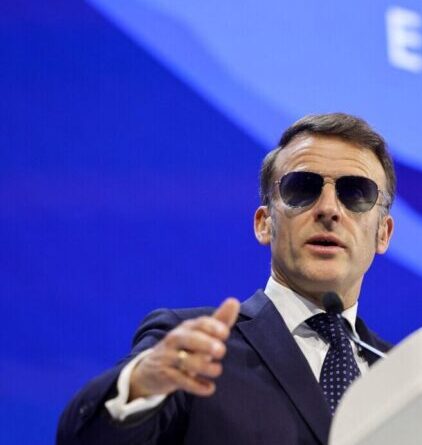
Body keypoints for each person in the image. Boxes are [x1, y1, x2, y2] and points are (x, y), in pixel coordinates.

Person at [57, 113, 397, 444]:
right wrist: (140, 386)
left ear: (383, 233)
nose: (329, 209)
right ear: (264, 223)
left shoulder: (405, 374)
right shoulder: (193, 350)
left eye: (355, 193)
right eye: (302, 189)